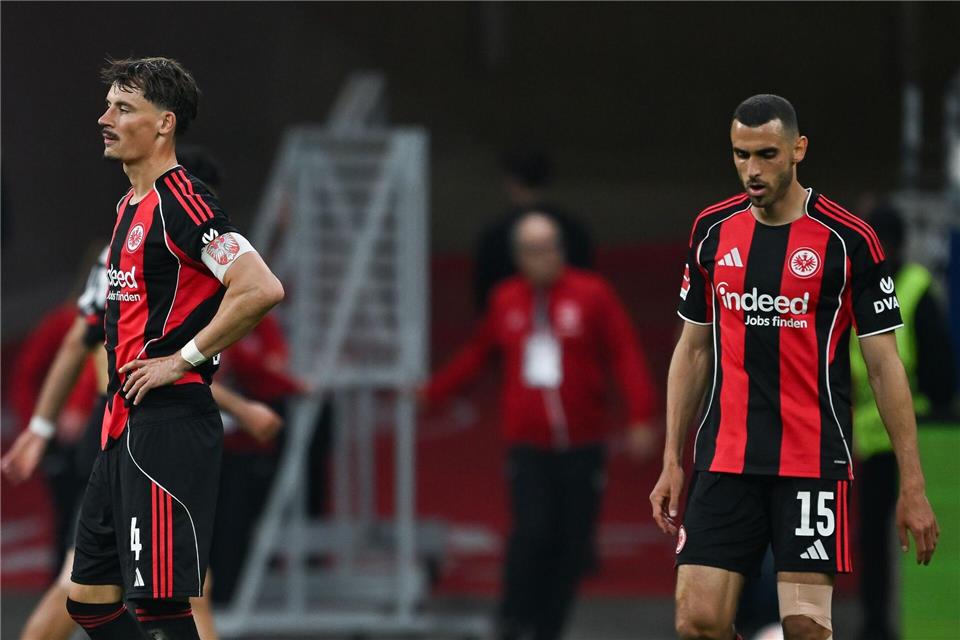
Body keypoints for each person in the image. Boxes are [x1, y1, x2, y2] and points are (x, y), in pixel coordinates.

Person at [649, 94, 940, 640]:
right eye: (741, 155)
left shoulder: (849, 241)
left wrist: (914, 482)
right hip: (726, 458)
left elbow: (884, 366)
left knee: (806, 626)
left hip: (811, 461)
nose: (752, 171)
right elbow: (692, 350)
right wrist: (671, 459)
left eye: (767, 154)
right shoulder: (711, 230)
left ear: (798, 149)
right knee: (697, 621)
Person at [63, 57, 283, 640]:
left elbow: (260, 287)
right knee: (89, 603)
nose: (105, 118)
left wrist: (180, 360)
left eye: (123, 108)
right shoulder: (127, 207)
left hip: (167, 426)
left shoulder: (183, 201)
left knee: (161, 608)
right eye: (108, 105)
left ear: (164, 123)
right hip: (122, 423)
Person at [2, 250, 283, 640]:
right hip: (136, 433)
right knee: (108, 590)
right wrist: (242, 408)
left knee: (139, 590)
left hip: (127, 429)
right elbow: (152, 364)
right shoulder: (161, 250)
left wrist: (39, 429)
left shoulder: (126, 253)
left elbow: (93, 346)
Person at [421, 212, 657, 640]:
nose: (545, 258)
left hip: (582, 444)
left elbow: (624, 352)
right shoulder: (506, 299)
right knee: (530, 533)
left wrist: (641, 413)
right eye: (534, 250)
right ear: (519, 257)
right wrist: (433, 392)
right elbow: (478, 353)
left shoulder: (591, 295)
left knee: (572, 543)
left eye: (551, 247)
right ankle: (513, 619)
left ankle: (550, 627)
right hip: (528, 444)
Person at [850, 205, 957, 640]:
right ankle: (877, 622)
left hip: (915, 436)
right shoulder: (854, 287)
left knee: (912, 533)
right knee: (873, 539)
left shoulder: (913, 288)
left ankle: (916, 619)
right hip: (872, 438)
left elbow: (940, 370)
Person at [472, 147, 594, 310]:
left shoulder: (493, 237)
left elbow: (484, 299)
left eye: (550, 248)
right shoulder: (574, 229)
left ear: (510, 182)